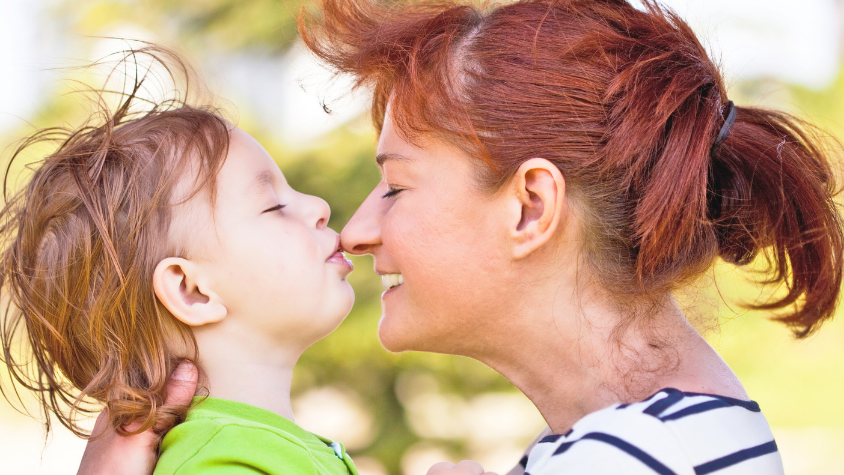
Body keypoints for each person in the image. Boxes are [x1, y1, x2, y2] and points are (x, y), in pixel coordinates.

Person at [77, 0, 844, 474]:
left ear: (530, 206)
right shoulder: (653, 442)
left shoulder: (634, 459)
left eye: (398, 186)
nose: (357, 228)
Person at [0, 47, 370, 475]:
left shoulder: (252, 448)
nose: (319, 206)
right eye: (274, 206)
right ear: (191, 290)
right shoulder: (220, 463)